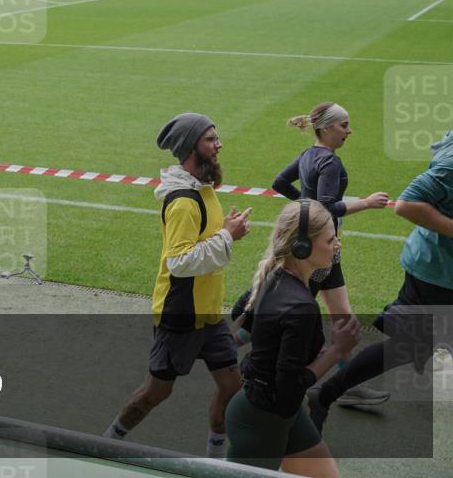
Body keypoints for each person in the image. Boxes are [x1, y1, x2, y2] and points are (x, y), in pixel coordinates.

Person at [104, 113, 252, 458]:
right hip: (180, 315)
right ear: (190, 148)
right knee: (156, 392)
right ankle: (107, 441)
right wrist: (228, 235)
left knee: (232, 387)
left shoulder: (204, 189)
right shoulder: (185, 202)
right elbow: (180, 263)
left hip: (210, 314)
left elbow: (206, 244)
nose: (219, 145)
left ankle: (214, 460)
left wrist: (225, 232)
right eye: (210, 139)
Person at [232, 101, 390, 406]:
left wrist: (304, 207)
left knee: (335, 316)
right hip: (321, 252)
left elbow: (279, 182)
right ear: (328, 128)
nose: (349, 130)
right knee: (338, 320)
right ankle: (222, 354)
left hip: (316, 248)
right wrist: (366, 203)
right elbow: (329, 205)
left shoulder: (308, 155)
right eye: (344, 125)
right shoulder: (330, 163)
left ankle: (347, 385)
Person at [308, 128, 453, 431]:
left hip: (436, 269)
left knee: (416, 344)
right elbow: (407, 204)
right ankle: (327, 392)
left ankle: (329, 391)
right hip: (438, 272)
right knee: (416, 345)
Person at [226, 199, 360, 477]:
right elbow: (288, 392)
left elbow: (241, 312)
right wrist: (336, 351)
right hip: (264, 422)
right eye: (331, 240)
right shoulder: (301, 307)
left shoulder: (276, 274)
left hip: (274, 413)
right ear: (302, 247)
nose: (338, 246)